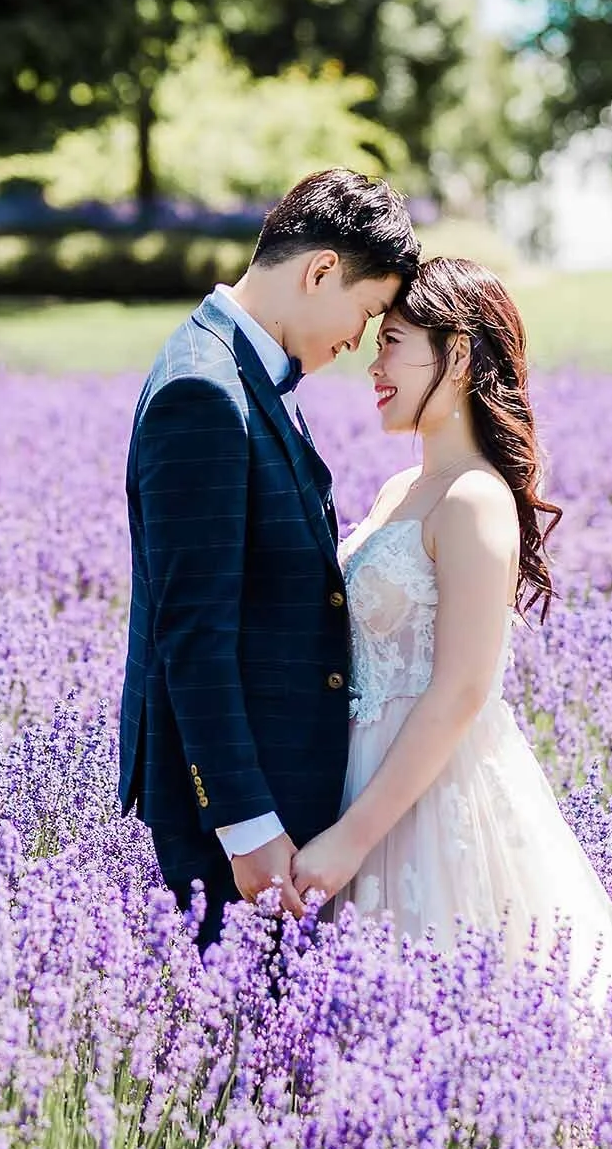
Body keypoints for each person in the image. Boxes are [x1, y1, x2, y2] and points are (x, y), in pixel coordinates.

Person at [290, 257, 612, 998]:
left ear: (456, 356)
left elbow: (460, 691)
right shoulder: (400, 489)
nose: (373, 364)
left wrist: (352, 840)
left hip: (429, 799)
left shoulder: (476, 499)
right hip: (360, 776)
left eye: (394, 343)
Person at [119, 169, 420, 948]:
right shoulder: (205, 389)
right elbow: (192, 634)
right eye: (366, 312)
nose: (358, 341)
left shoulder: (246, 370)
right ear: (320, 270)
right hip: (242, 814)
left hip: (282, 786)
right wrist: (245, 824)